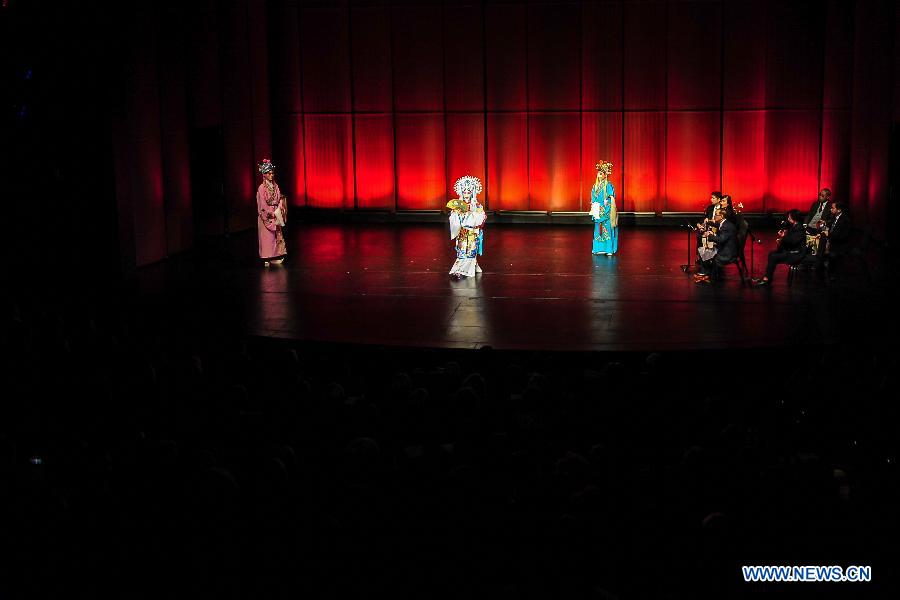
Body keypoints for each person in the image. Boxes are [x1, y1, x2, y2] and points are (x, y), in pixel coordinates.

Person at [751, 209, 806, 286]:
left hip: (796, 254)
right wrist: (781, 239)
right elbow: (789, 240)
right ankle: (768, 277)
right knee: (771, 254)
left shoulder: (799, 228)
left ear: (795, 218)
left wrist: (783, 237)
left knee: (774, 256)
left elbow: (793, 241)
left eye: (790, 217)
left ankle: (767, 278)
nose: (788, 219)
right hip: (790, 250)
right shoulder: (793, 226)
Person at [447, 175, 486, 280]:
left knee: (471, 251)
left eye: (469, 192)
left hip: (472, 233)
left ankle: (466, 269)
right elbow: (453, 219)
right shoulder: (458, 206)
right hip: (462, 233)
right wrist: (457, 214)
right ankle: (459, 269)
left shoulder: (477, 205)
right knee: (461, 252)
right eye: (464, 192)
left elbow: (482, 217)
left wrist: (471, 214)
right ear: (461, 192)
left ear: (473, 192)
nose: (466, 194)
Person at [256, 158, 287, 267]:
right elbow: (262, 204)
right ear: (264, 174)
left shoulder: (276, 186)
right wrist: (270, 213)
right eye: (269, 173)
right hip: (267, 214)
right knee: (267, 238)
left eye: (272, 173)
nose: (271, 175)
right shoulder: (261, 188)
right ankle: (267, 257)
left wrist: (278, 209)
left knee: (276, 236)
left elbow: (279, 199)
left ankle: (276, 256)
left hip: (275, 213)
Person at [693, 209, 737, 283]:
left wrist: (709, 235)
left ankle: (708, 275)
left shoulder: (726, 226)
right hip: (724, 247)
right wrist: (711, 231)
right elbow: (721, 235)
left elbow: (720, 239)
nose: (714, 217)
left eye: (716, 215)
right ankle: (706, 273)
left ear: (721, 216)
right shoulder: (724, 223)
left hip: (727, 252)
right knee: (704, 250)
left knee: (706, 251)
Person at [816, 201, 852, 279]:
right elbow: (831, 224)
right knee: (821, 237)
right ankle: (820, 262)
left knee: (823, 240)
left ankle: (827, 269)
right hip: (833, 239)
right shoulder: (835, 216)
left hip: (840, 244)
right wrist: (825, 224)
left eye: (833, 208)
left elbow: (841, 236)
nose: (831, 209)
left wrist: (828, 234)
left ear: (839, 210)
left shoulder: (845, 220)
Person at [590, 160, 618, 255]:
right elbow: (593, 197)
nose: (599, 175)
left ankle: (608, 249)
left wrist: (606, 205)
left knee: (607, 229)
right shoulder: (595, 186)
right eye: (598, 173)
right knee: (598, 229)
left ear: (605, 175)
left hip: (606, 210)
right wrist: (594, 204)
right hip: (597, 209)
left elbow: (611, 197)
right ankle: (598, 249)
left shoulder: (609, 185)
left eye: (601, 173)